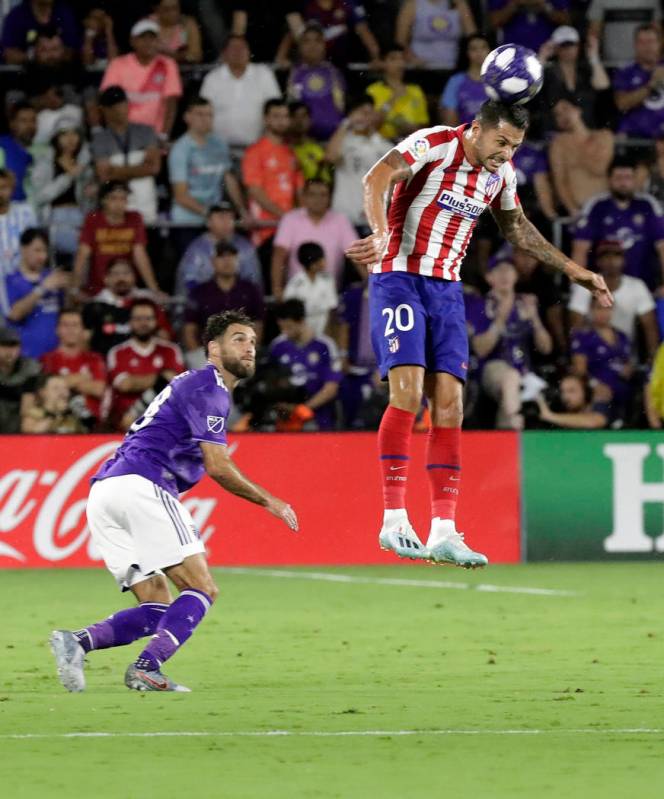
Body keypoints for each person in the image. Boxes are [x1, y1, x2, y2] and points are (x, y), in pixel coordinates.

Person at [345, 99, 612, 567]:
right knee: (407, 395)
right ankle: (393, 519)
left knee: (450, 402)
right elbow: (376, 177)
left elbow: (519, 230)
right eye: (501, 141)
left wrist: (576, 271)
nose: (506, 153)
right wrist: (382, 233)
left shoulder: (499, 177)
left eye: (515, 146)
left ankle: (444, 529)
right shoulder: (434, 143)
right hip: (399, 279)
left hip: (447, 290)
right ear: (476, 130)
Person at [49, 310, 298, 693]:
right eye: (238, 339)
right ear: (213, 348)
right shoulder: (208, 386)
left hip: (105, 492)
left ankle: (77, 642)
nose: (249, 347)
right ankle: (147, 668)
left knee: (157, 608)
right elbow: (218, 465)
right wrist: (271, 502)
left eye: (252, 340)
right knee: (202, 588)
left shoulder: (197, 385)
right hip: (141, 485)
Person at [468, 257, 552, 430]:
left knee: (533, 400)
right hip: (491, 367)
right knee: (510, 378)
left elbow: (546, 348)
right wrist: (501, 318)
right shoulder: (480, 305)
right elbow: (481, 349)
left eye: (509, 270)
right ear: (489, 277)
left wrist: (535, 319)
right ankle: (512, 432)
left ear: (516, 276)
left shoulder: (525, 303)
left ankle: (509, 442)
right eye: (498, 271)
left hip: (525, 370)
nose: (504, 275)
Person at [572, 159, 664, 291]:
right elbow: (580, 249)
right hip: (601, 287)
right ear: (609, 180)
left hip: (644, 287)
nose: (623, 183)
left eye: (628, 178)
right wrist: (578, 289)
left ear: (635, 180)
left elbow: (662, 248)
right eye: (618, 178)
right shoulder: (596, 206)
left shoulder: (648, 205)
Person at [568, 239, 659, 359]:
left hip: (625, 356)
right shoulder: (585, 284)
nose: (611, 260)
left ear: (624, 260)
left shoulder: (637, 286)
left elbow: (650, 327)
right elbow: (575, 327)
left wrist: (653, 361)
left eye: (616, 255)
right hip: (591, 354)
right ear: (598, 261)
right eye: (605, 256)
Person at [241, 99, 304, 274]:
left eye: (285, 116)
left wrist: (298, 217)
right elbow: (254, 190)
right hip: (265, 229)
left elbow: (299, 191)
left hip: (290, 229)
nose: (282, 121)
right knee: (270, 283)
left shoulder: (291, 152)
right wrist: (285, 217)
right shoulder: (255, 151)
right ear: (266, 119)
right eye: (276, 116)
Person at [271, 178, 357, 299]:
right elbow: (279, 255)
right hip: (296, 295)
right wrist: (277, 288)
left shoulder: (340, 220)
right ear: (304, 197)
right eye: (312, 194)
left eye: (323, 195)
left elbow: (357, 254)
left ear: (330, 198)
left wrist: (371, 285)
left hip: (330, 294)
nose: (318, 200)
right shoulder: (290, 219)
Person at [182, 242, 265, 367]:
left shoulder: (251, 290)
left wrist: (248, 352)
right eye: (221, 256)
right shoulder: (199, 292)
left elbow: (258, 325)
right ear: (213, 261)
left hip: (242, 353)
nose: (227, 261)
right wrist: (201, 357)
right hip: (207, 354)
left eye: (231, 256)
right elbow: (189, 329)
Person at [168, 97, 247, 228]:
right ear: (187, 117)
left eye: (210, 115)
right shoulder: (180, 149)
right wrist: (209, 214)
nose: (206, 119)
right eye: (200, 114)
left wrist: (242, 210)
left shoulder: (219, 143)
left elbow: (228, 179)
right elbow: (180, 195)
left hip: (215, 219)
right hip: (186, 221)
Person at [73, 181, 161, 297]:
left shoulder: (135, 218)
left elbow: (140, 255)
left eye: (123, 198)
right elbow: (82, 254)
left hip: (127, 287)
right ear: (103, 200)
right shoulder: (93, 219)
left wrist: (154, 290)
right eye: (113, 198)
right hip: (99, 289)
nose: (119, 203)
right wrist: (74, 288)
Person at [106, 298, 184, 431]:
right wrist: (160, 379)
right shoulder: (117, 352)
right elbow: (125, 385)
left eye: (148, 318)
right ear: (130, 322)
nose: (143, 323)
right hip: (125, 425)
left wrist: (137, 381)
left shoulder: (170, 350)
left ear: (155, 321)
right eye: (138, 319)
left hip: (162, 422)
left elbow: (176, 387)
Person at [100, 19, 182, 138]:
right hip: (124, 136)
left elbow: (171, 104)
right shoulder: (118, 64)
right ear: (132, 41)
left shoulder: (167, 64)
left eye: (152, 38)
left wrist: (164, 135)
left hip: (155, 137)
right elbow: (107, 103)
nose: (148, 42)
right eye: (143, 38)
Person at [200, 34, 281, 155]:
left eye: (242, 48)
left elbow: (276, 110)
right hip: (219, 150)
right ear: (224, 53)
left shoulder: (264, 74)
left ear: (249, 52)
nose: (238, 52)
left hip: (258, 149)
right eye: (233, 48)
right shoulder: (213, 78)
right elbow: (202, 113)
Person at [92, 86, 161, 225]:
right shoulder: (100, 138)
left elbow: (153, 168)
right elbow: (104, 175)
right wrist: (140, 168)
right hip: (115, 210)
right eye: (114, 106)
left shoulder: (146, 131)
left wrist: (116, 170)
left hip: (145, 205)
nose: (120, 109)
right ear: (105, 110)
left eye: (122, 104)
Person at [269, 298, 342, 431]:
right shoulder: (277, 346)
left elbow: (332, 387)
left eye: (289, 327)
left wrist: (304, 408)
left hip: (319, 417)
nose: (285, 332)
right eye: (281, 327)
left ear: (301, 321)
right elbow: (270, 382)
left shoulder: (325, 346)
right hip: (285, 419)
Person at [326, 95, 392, 230]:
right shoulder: (343, 142)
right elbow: (331, 157)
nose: (364, 118)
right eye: (360, 113)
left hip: (376, 220)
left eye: (368, 113)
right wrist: (345, 124)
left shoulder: (384, 145)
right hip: (345, 217)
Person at [32, 119, 93, 263]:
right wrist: (68, 177)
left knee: (82, 264)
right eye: (64, 134)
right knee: (60, 262)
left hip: (80, 218)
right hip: (54, 219)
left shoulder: (84, 165)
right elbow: (40, 196)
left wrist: (91, 193)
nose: (70, 139)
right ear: (56, 138)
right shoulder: (45, 163)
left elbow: (89, 202)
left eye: (75, 134)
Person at [83, 258, 172, 356]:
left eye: (126, 273)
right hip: (105, 364)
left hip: (147, 361)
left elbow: (164, 337)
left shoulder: (148, 302)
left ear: (135, 277)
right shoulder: (95, 306)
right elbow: (84, 341)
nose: (121, 278)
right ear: (106, 278)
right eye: (115, 274)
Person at [5, 228, 68, 358]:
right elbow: (14, 314)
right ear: (23, 249)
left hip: (55, 355)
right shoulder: (10, 280)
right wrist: (42, 288)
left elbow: (65, 311)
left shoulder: (52, 277)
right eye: (37, 250)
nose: (42, 256)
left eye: (45, 251)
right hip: (26, 355)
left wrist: (70, 290)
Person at [176, 204, 262, 296]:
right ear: (209, 222)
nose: (226, 222)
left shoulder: (245, 247)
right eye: (221, 218)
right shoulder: (196, 249)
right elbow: (188, 280)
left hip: (238, 301)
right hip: (204, 301)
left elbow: (254, 280)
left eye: (230, 218)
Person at [548, 98, 614, 218]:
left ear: (578, 110)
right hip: (580, 208)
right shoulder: (558, 144)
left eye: (565, 109)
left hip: (608, 206)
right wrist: (572, 209)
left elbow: (600, 169)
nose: (563, 116)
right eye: (557, 115)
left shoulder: (604, 136)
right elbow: (560, 180)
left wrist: (577, 150)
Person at [40, 309, 107, 425]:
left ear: (83, 330)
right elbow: (47, 391)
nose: (71, 330)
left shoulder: (95, 358)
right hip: (57, 423)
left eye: (75, 325)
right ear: (57, 329)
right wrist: (83, 378)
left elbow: (99, 389)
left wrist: (64, 382)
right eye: (65, 325)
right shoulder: (47, 359)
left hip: (93, 424)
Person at [538, 25, 610, 132]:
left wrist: (594, 56)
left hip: (586, 131)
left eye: (571, 44)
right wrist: (542, 56)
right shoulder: (548, 73)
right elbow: (530, 87)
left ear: (578, 46)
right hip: (555, 134)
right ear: (555, 48)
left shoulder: (586, 71)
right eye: (563, 45)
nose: (567, 49)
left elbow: (603, 85)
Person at [570, 298, 633, 416]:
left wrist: (628, 369)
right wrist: (594, 385)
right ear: (591, 310)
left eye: (608, 308)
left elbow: (627, 362)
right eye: (599, 308)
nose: (604, 313)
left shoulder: (622, 336)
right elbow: (580, 370)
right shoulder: (583, 337)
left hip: (622, 386)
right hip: (598, 388)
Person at [275, 0, 381, 67]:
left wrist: (376, 57)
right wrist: (281, 56)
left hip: (339, 62)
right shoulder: (305, 4)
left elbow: (364, 31)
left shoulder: (348, 3)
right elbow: (290, 33)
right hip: (309, 62)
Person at [287, 23, 346, 142]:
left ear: (324, 45)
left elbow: (343, 108)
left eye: (317, 41)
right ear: (300, 46)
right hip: (303, 142)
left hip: (335, 141)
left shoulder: (335, 72)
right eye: (307, 41)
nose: (312, 46)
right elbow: (291, 108)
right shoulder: (293, 73)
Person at [367, 43, 429, 141]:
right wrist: (393, 99)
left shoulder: (415, 90)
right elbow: (370, 125)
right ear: (383, 63)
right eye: (393, 59)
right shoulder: (373, 90)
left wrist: (411, 129)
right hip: (382, 144)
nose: (400, 63)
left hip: (411, 144)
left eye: (402, 59)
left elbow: (424, 125)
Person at [613, 25, 664, 140]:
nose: (647, 47)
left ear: (659, 43)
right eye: (642, 42)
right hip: (634, 135)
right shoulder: (625, 71)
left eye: (651, 41)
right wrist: (652, 84)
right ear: (635, 45)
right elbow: (622, 104)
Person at [395, 0, 477, 69]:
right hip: (420, 68)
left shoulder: (459, 4)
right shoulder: (412, 5)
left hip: (453, 67)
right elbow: (400, 42)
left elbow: (474, 38)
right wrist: (411, 59)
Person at [0, 168, 37, 313]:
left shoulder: (26, 212)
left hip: (24, 285)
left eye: (3, 188)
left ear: (12, 189)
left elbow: (37, 246)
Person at [283, 241, 338, 336]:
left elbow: (331, 309)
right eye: (320, 260)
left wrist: (328, 335)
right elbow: (290, 314)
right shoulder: (295, 284)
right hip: (302, 332)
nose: (324, 262)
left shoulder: (328, 280)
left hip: (323, 329)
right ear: (311, 263)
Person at [1, 0, 80, 65]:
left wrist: (56, 53)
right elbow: (8, 54)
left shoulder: (64, 13)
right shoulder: (16, 16)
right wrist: (33, 56)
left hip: (62, 76)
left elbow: (73, 49)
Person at [587, 0, 661, 68]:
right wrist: (594, 60)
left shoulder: (652, 1)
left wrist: (658, 60)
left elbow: (658, 32)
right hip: (613, 63)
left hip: (646, 64)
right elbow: (594, 33)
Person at [439, 34, 490, 128]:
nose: (479, 52)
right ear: (466, 53)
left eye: (483, 47)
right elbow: (450, 119)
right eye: (473, 49)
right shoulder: (456, 81)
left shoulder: (498, 81)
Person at [0, 325, 41, 433]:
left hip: (17, 428)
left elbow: (26, 407)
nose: (9, 351)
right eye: (4, 345)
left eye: (13, 346)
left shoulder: (29, 367)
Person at [488, 0, 570, 52]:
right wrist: (514, 4)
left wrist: (544, 5)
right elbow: (494, 22)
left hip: (548, 52)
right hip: (513, 53)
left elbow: (566, 22)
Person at [21, 372, 87, 433]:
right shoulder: (33, 413)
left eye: (65, 388)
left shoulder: (74, 414)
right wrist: (55, 415)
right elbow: (31, 434)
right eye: (56, 388)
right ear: (43, 392)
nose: (63, 393)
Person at [0, 102, 36, 202]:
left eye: (33, 120)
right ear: (12, 124)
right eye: (23, 121)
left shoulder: (44, 149)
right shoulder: (2, 146)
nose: (30, 125)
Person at [289, 101, 331, 183]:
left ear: (310, 119)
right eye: (295, 116)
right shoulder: (284, 148)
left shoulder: (321, 147)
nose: (300, 121)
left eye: (304, 116)